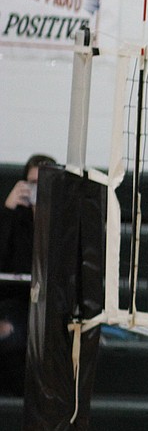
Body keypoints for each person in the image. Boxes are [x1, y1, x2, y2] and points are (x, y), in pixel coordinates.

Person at [0, 154, 55, 396]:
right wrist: (8, 210)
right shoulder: (13, 221)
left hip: (52, 308)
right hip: (17, 305)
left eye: (43, 183)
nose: (37, 190)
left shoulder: (64, 223)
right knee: (11, 337)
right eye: (32, 183)